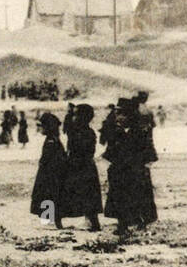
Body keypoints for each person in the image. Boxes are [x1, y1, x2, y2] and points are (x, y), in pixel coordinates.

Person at [104, 98, 158, 233]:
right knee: (119, 197)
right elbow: (111, 150)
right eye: (117, 114)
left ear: (130, 115)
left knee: (138, 197)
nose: (118, 117)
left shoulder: (139, 132)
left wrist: (145, 164)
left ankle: (141, 221)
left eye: (121, 114)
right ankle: (122, 224)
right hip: (119, 170)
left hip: (135, 171)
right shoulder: (116, 132)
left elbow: (147, 149)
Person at [60, 103, 103, 231]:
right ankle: (92, 221)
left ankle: (93, 222)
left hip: (81, 166)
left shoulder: (83, 132)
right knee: (87, 195)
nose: (74, 117)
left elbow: (83, 150)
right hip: (85, 166)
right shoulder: (82, 131)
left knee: (87, 195)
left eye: (76, 115)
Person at [30, 112, 68, 228]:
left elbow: (47, 158)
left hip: (49, 174)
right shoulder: (54, 139)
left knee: (47, 196)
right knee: (53, 196)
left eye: (41, 126)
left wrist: (42, 163)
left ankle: (49, 220)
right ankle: (54, 220)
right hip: (53, 174)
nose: (40, 129)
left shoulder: (51, 141)